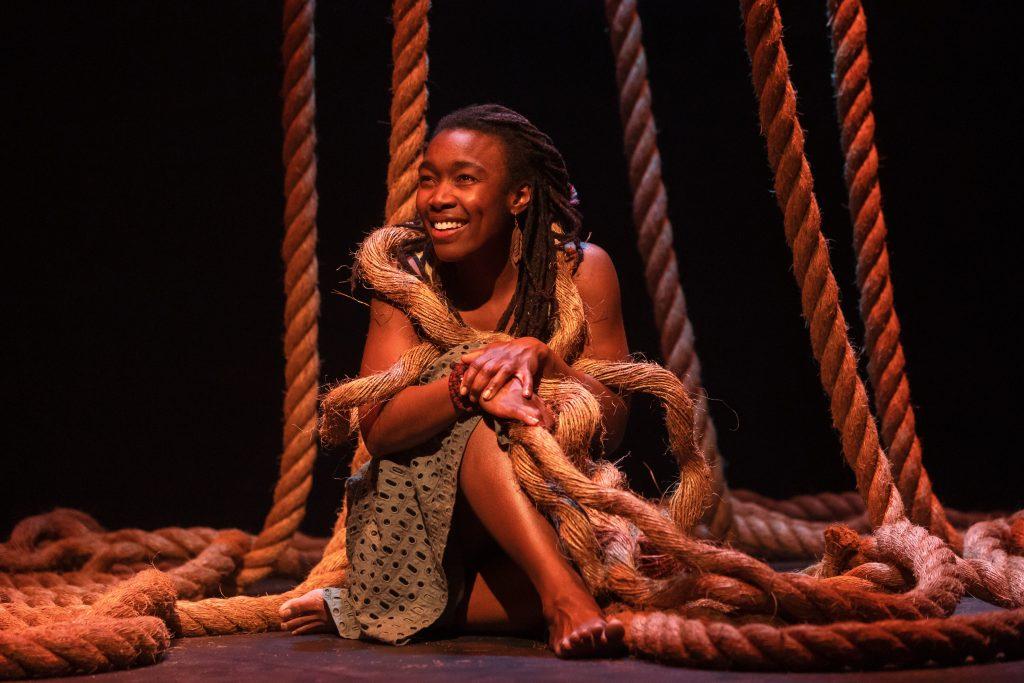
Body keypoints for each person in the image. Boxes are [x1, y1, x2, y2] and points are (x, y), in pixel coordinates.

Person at [280, 104, 631, 658]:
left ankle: (376, 607)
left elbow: (610, 425)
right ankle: (562, 597)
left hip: (544, 507)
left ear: (518, 197)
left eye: (464, 179)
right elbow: (381, 430)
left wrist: (544, 360)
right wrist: (471, 385)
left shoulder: (581, 270)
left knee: (605, 576)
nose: (439, 197)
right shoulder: (406, 279)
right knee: (484, 410)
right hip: (419, 520)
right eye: (429, 179)